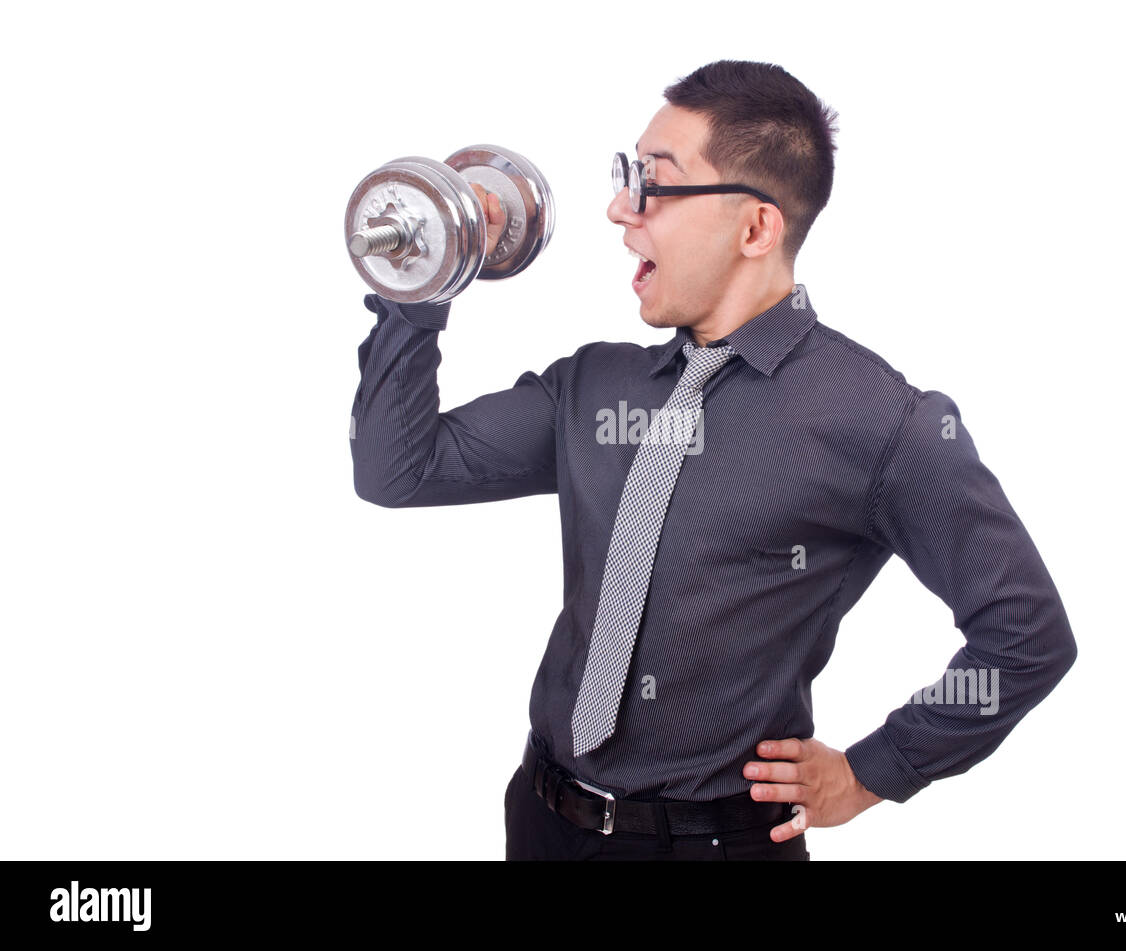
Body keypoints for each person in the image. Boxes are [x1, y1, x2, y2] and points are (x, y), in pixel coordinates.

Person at [348, 60, 1078, 861]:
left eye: (654, 184)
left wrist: (874, 771)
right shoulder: (595, 385)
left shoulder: (883, 422)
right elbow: (398, 469)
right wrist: (425, 277)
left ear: (756, 228)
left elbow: (1028, 633)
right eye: (628, 175)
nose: (621, 209)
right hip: (543, 819)